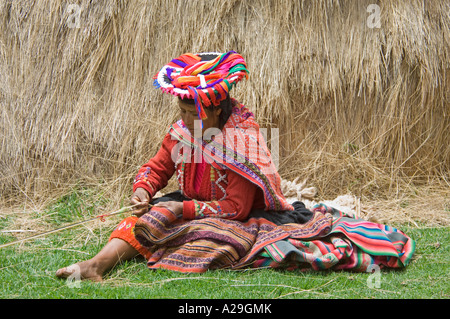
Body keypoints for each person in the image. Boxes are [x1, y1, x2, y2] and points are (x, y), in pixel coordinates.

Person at [56, 51, 313, 281]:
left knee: (206, 239)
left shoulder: (241, 141)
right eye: (183, 112)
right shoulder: (182, 134)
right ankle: (95, 265)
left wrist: (183, 207)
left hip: (239, 218)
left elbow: (237, 207)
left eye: (194, 114)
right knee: (148, 217)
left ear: (215, 111)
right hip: (191, 207)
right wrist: (143, 190)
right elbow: (157, 168)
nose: (187, 120)